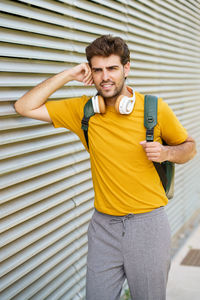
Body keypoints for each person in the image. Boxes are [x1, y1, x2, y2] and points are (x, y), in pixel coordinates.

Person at [14, 35, 196, 300]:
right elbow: (24, 106)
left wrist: (166, 152)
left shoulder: (154, 110)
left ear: (127, 68)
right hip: (103, 226)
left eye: (112, 68)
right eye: (97, 70)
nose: (105, 77)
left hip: (148, 224)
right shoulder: (83, 111)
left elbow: (190, 147)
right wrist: (68, 74)